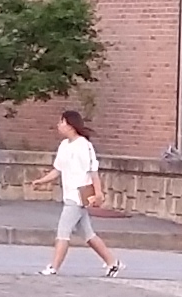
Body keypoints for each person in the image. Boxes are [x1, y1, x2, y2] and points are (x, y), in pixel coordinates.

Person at [37, 107, 121, 278]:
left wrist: (98, 193)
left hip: (78, 196)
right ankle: (112, 262)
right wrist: (41, 181)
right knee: (88, 234)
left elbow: (93, 171)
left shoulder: (84, 145)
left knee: (63, 232)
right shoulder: (64, 146)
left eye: (61, 122)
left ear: (70, 125)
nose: (59, 125)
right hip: (70, 195)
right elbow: (57, 169)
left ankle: (54, 267)